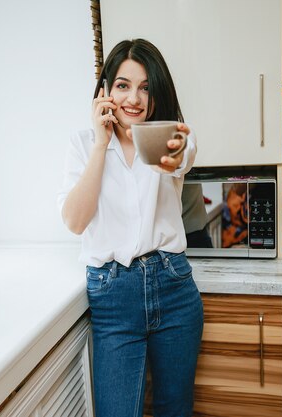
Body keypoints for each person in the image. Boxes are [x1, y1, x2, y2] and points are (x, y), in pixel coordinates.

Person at [57, 38, 203, 417]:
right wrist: (101, 144)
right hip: (113, 295)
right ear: (105, 91)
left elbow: (180, 155)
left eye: (145, 87)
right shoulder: (84, 143)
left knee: (176, 409)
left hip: (173, 287)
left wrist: (174, 151)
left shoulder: (163, 138)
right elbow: (75, 221)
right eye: (123, 85)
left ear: (157, 96)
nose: (133, 98)